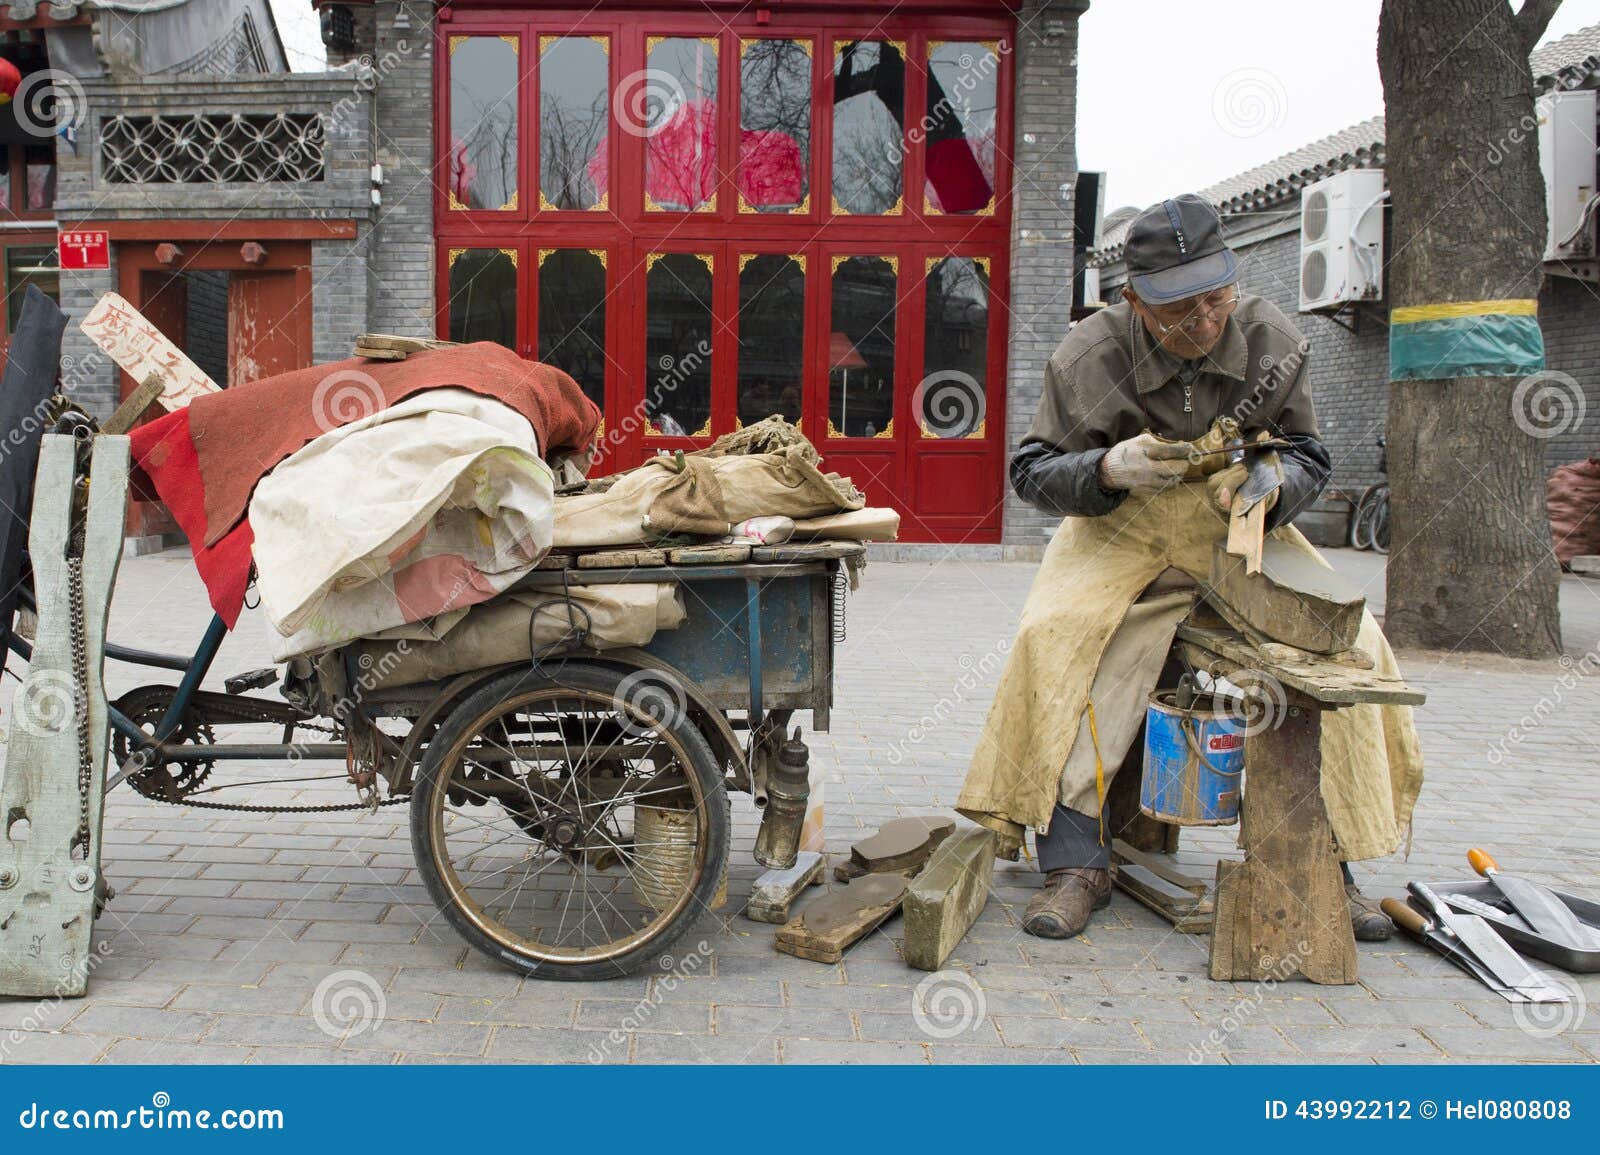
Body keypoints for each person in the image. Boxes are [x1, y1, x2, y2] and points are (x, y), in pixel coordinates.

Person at [957, 194, 1423, 941]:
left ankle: (1328, 859)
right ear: (1135, 299)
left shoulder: (1271, 338)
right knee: (1058, 636)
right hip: (1122, 531)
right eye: (1179, 310)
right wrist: (1107, 468)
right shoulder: (1090, 354)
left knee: (1353, 644)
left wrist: (1274, 487)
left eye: (1216, 299)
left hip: (1235, 527)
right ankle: (1075, 859)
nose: (1204, 322)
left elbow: (1309, 455)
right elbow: (1032, 472)